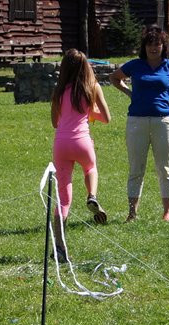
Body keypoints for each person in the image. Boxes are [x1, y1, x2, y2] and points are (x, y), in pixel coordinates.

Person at [108, 25, 169, 222]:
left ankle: (167, 213)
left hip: (163, 121)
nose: (153, 48)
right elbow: (114, 78)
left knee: (164, 168)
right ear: (144, 46)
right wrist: (129, 93)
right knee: (136, 168)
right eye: (150, 44)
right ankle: (132, 213)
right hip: (136, 121)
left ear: (163, 46)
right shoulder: (135, 65)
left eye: (157, 44)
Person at [50, 48, 111, 260]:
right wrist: (89, 113)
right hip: (82, 142)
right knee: (90, 168)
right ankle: (92, 195)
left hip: (61, 144)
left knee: (63, 198)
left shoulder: (59, 90)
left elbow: (55, 122)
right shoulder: (92, 88)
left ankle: (59, 247)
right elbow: (107, 118)